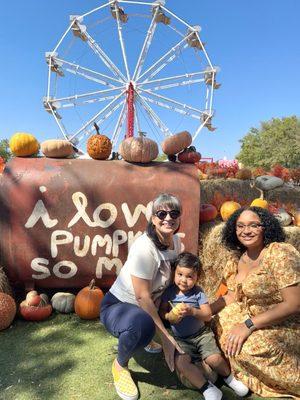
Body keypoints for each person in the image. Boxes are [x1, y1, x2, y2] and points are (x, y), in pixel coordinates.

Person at [100, 193, 184, 400]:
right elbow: (142, 298)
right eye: (161, 213)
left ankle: (145, 336)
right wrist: (165, 338)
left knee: (151, 321)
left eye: (173, 213)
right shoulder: (144, 247)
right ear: (153, 218)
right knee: (142, 325)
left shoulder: (177, 243)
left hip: (145, 307)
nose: (168, 218)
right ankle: (120, 365)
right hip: (117, 306)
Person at [210, 206, 300, 398]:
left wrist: (248, 325)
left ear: (265, 227)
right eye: (240, 226)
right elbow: (232, 296)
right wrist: (205, 310)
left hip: (285, 323)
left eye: (253, 225)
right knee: (220, 321)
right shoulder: (237, 258)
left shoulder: (279, 253)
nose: (246, 231)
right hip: (251, 316)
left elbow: (294, 304)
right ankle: (230, 369)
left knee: (247, 348)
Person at [159, 252, 249, 400]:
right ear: (174, 273)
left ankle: (230, 378)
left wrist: (192, 311)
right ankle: (207, 388)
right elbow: (162, 311)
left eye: (190, 276)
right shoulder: (169, 292)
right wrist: (168, 316)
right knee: (181, 362)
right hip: (181, 339)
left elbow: (207, 315)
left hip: (201, 335)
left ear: (197, 278)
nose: (183, 280)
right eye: (180, 274)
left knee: (214, 359)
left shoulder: (197, 293)